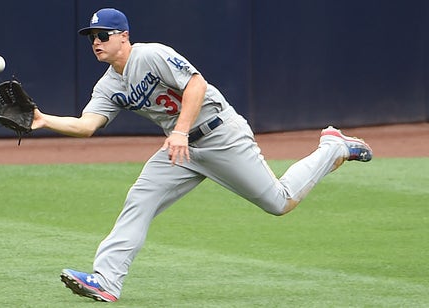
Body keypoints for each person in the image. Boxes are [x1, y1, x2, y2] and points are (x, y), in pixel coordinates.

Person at [30, 8, 373, 302]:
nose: (96, 42)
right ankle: (105, 280)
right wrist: (43, 120)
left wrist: (179, 131)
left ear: (124, 36)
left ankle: (333, 147)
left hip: (219, 133)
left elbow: (196, 84)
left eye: (103, 34)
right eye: (92, 36)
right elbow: (87, 124)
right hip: (181, 149)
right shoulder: (109, 85)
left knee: (279, 202)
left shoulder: (150, 55)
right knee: (140, 200)